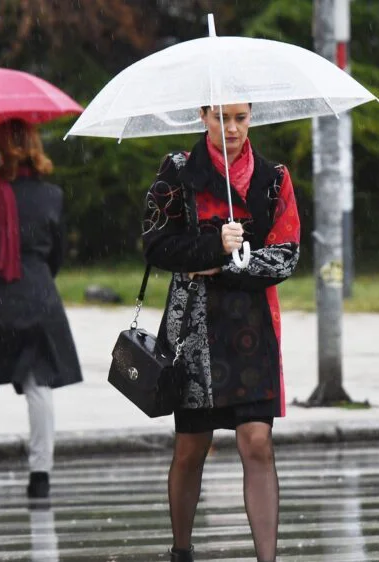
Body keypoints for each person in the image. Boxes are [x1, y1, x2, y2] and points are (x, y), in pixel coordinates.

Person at [141, 103, 300, 562]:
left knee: (257, 441)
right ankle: (181, 551)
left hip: (253, 326)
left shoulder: (274, 179)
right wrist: (213, 244)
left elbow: (286, 254)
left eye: (241, 118)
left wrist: (226, 262)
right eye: (220, 117)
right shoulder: (177, 171)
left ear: (251, 118)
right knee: (192, 447)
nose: (231, 128)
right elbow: (155, 245)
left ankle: (267, 559)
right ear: (202, 116)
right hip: (193, 331)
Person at [0, 118, 82, 499]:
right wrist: (37, 274)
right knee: (38, 383)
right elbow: (57, 253)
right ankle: (40, 474)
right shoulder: (52, 195)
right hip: (39, 295)